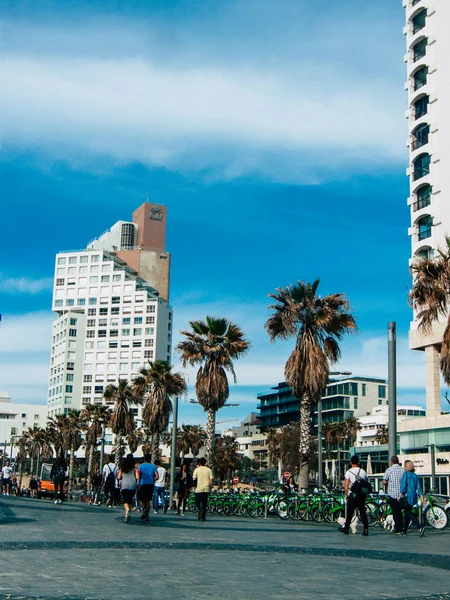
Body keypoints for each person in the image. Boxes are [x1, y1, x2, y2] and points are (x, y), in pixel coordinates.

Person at [339, 455, 369, 536]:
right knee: (362, 512)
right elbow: (365, 482)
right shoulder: (363, 471)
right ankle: (365, 529)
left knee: (350, 512)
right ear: (358, 462)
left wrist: (346, 494)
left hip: (353, 494)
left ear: (351, 463)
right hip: (362, 495)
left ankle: (346, 528)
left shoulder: (349, 472)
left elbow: (346, 484)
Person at [399, 460, 425, 536]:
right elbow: (419, 488)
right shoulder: (415, 475)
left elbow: (403, 486)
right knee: (408, 512)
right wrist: (421, 497)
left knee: (407, 513)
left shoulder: (405, 474)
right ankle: (404, 530)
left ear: (406, 467)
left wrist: (400, 495)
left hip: (407, 496)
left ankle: (419, 527)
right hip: (413, 497)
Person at [382, 455, 404, 534]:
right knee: (400, 512)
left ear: (391, 462)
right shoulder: (403, 470)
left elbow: (384, 481)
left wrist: (388, 483)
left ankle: (398, 528)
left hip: (392, 494)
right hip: (401, 494)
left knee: (395, 512)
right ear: (398, 461)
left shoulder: (389, 470)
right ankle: (402, 526)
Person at [137, 453, 158, 522]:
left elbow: (138, 476)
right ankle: (147, 515)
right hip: (150, 485)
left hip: (142, 484)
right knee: (148, 500)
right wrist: (153, 479)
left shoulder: (140, 466)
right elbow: (157, 476)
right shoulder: (154, 467)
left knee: (141, 500)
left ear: (144, 459)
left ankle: (144, 510)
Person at [117, 454, 138, 523]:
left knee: (125, 500)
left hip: (125, 485)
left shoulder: (122, 467)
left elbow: (119, 477)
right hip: (133, 485)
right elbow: (137, 477)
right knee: (129, 500)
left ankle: (127, 510)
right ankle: (127, 515)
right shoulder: (134, 468)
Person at [193, 457, 213, 522]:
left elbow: (194, 479)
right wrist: (210, 488)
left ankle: (200, 510)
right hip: (206, 488)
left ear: (199, 463)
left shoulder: (196, 470)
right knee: (204, 503)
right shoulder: (209, 470)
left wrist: (193, 487)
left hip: (198, 489)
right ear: (205, 462)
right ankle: (203, 516)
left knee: (197, 502)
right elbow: (211, 480)